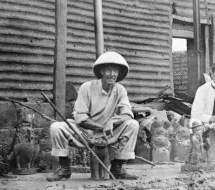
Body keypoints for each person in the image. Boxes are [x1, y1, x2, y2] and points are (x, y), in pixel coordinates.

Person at [48, 51, 147, 180]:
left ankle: (117, 168)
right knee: (56, 127)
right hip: (85, 131)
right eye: (108, 70)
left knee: (132, 125)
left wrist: (110, 123)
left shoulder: (120, 89)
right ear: (101, 71)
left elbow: (127, 114)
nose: (112, 74)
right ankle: (65, 168)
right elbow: (80, 117)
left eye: (115, 71)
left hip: (108, 133)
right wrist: (102, 126)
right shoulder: (87, 87)